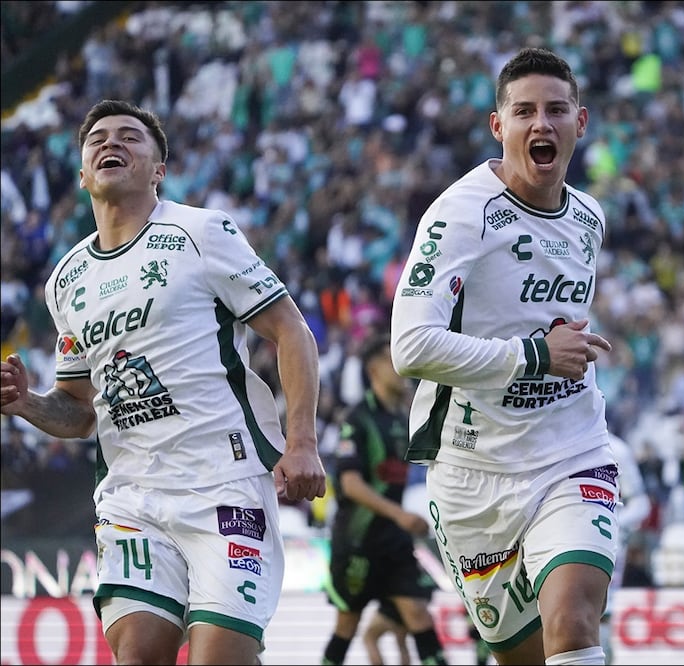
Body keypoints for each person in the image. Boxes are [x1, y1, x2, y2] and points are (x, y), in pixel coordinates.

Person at [0, 99, 326, 665]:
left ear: (159, 170)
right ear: (82, 175)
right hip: (133, 494)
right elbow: (79, 410)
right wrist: (28, 403)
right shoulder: (67, 280)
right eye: (98, 139)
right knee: (138, 655)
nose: (112, 143)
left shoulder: (202, 231)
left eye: (130, 137)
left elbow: (291, 330)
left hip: (224, 483)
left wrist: (301, 442)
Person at [389, 47, 617, 666]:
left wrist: (556, 352)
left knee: (572, 621)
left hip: (572, 451)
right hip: (472, 473)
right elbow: (410, 346)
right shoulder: (461, 214)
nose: (542, 123)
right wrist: (536, 355)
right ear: (499, 125)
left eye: (556, 110)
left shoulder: (589, 218)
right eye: (524, 112)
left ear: (580, 122)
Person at [321, 334, 447, 666]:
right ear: (374, 368)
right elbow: (350, 484)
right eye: (393, 360)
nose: (402, 368)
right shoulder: (356, 418)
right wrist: (400, 515)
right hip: (358, 541)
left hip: (394, 541)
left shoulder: (402, 419)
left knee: (418, 613)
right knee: (347, 625)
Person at [600, 434, 651, 664]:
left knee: (600, 611)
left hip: (605, 543)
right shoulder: (552, 436)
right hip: (556, 537)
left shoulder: (615, 449)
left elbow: (641, 504)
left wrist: (611, 524)